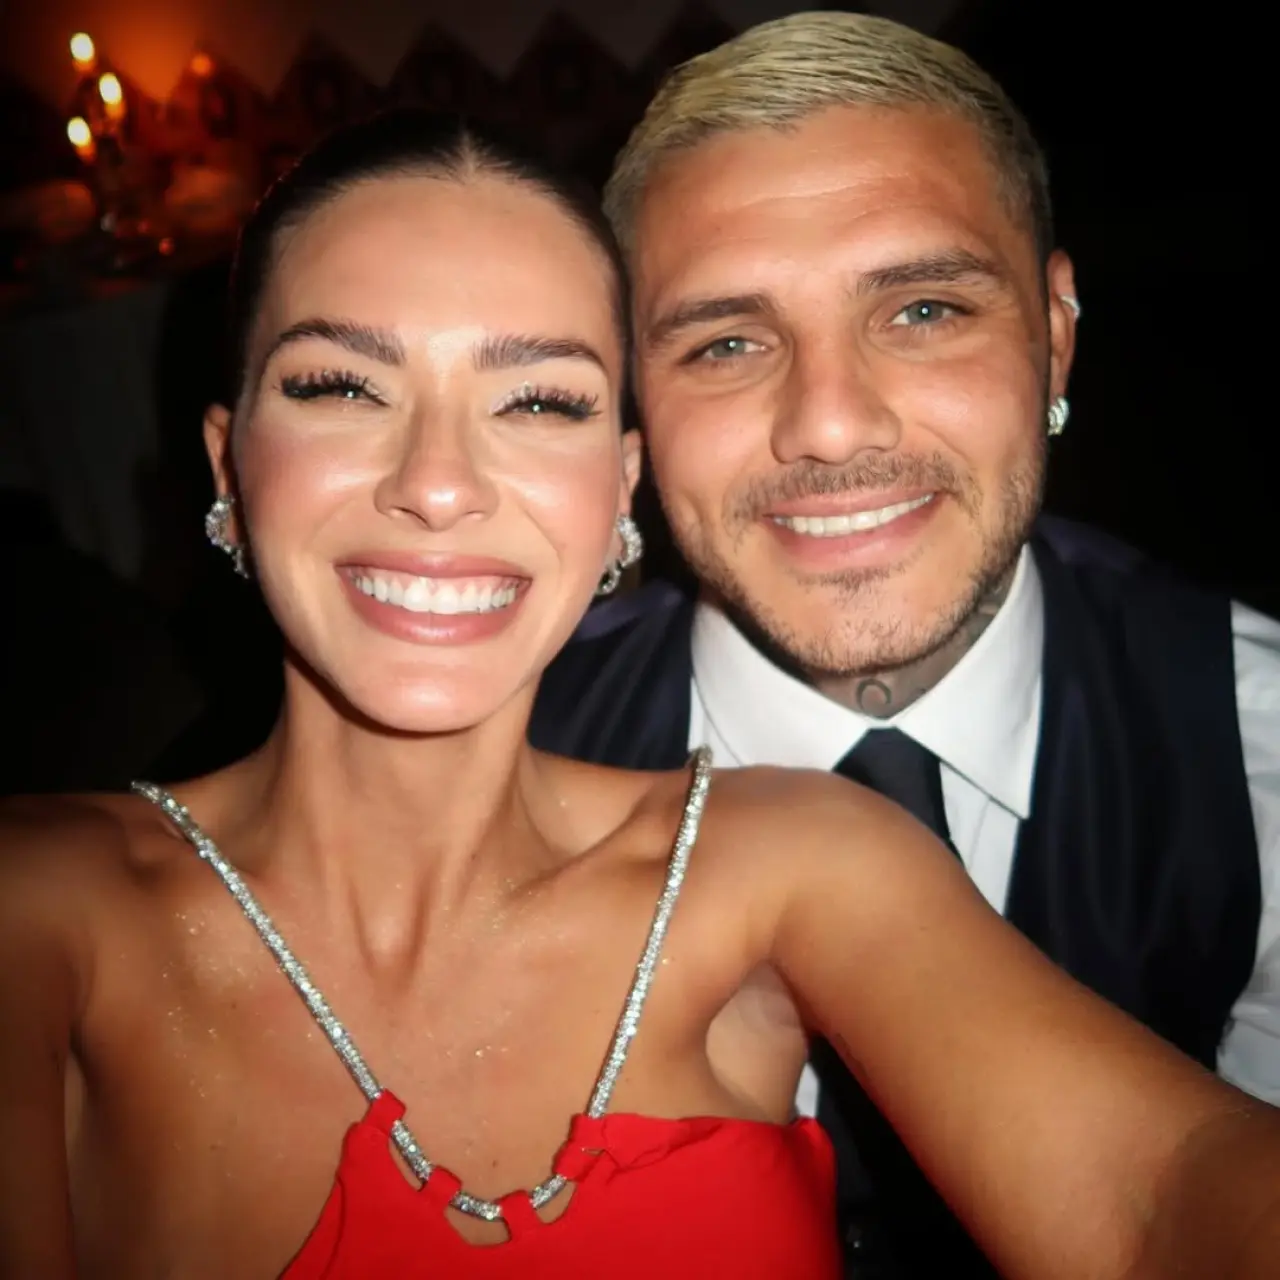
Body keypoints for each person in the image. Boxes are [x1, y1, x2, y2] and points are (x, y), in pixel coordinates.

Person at [1, 111, 1277, 1280]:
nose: (437, 483)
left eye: (536, 400)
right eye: (342, 386)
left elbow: (1155, 1191)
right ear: (230, 464)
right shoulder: (41, 905)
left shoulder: (793, 857)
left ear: (621, 488)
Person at [527, 10, 1280, 1278]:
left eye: (923, 309)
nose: (828, 424)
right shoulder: (479, 776)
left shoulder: (1259, 746)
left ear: (1054, 331)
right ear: (632, 403)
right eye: (725, 342)